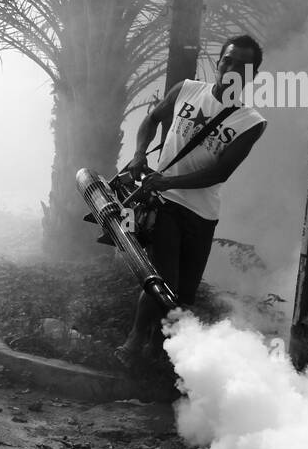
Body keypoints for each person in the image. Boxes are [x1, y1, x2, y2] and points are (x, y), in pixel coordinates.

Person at [114, 34, 267, 365]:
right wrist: (139, 154)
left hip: (202, 214)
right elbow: (152, 119)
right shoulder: (186, 89)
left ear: (252, 74)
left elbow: (220, 172)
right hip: (164, 203)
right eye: (227, 60)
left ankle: (159, 355)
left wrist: (168, 179)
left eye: (242, 65)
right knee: (161, 280)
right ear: (218, 62)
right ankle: (132, 344)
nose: (231, 68)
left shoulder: (251, 122)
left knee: (185, 294)